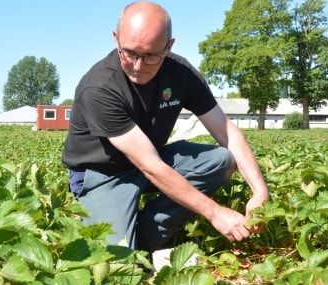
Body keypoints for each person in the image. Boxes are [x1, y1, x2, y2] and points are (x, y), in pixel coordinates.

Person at [62, 1, 269, 253]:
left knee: (220, 160)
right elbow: (149, 166)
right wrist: (215, 213)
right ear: (116, 39)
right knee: (113, 259)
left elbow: (227, 132)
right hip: (101, 174)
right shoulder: (100, 87)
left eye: (150, 55)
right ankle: (126, 244)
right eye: (129, 53)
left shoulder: (181, 74)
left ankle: (147, 237)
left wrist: (259, 192)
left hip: (150, 160)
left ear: (168, 47)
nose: (137, 66)